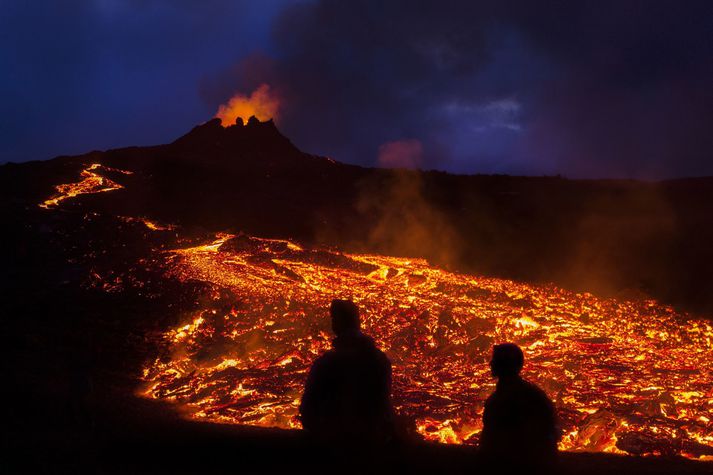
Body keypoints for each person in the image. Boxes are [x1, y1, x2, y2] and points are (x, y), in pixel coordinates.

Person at [299, 299, 394, 446]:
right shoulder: (379, 360)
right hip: (372, 446)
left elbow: (308, 408)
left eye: (333, 318)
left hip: (335, 448)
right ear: (357, 322)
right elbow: (383, 404)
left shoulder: (328, 363)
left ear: (338, 322)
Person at [480, 343, 559, 472]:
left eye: (495, 360)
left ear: (504, 365)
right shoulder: (532, 393)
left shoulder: (505, 399)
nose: (490, 364)